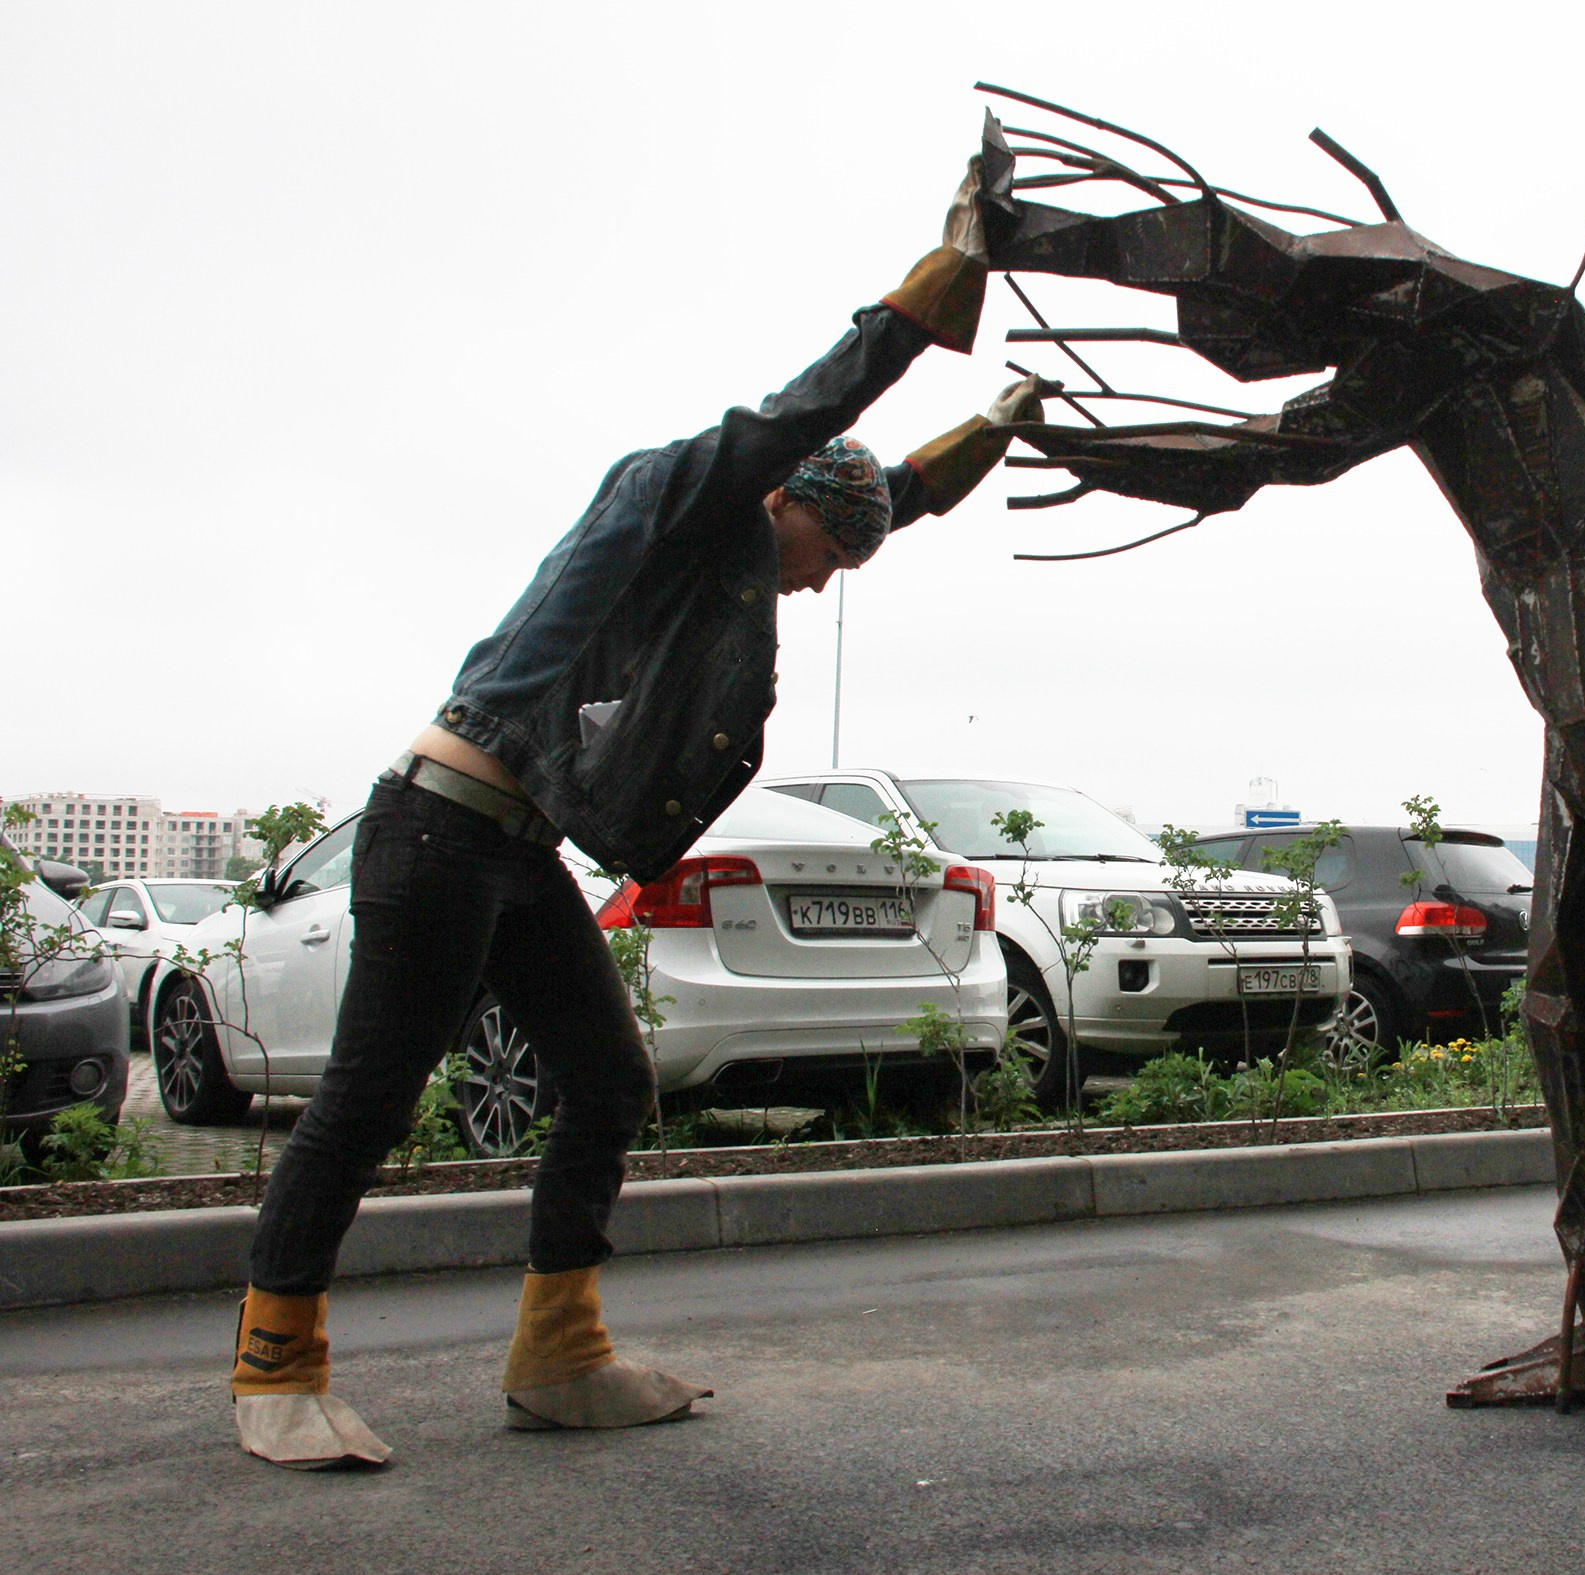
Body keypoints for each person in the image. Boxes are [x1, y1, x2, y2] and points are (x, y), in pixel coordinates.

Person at [226, 156, 1043, 1469]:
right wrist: (921, 308)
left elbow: (868, 486)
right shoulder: (675, 493)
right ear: (776, 503)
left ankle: (559, 1353)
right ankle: (278, 1359)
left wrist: (995, 424)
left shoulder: (749, 542)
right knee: (370, 1103)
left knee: (606, 1080)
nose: (819, 589)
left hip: (508, 850)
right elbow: (800, 422)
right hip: (435, 831)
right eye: (825, 561)